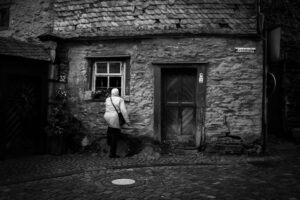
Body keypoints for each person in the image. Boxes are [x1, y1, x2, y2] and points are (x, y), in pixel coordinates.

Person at [104, 88, 130, 158]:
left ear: (112, 93)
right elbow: (123, 111)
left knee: (110, 129)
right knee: (115, 135)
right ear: (118, 93)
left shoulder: (107, 99)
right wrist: (127, 120)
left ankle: (108, 141)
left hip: (107, 116)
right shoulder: (120, 99)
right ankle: (112, 154)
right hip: (114, 117)